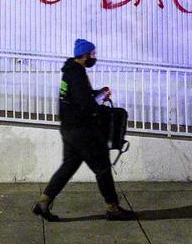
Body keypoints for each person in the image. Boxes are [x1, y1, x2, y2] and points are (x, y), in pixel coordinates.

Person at [32, 38, 135, 221]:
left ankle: (44, 201)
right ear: (84, 55)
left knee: (69, 166)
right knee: (102, 167)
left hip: (69, 129)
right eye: (92, 54)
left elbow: (79, 98)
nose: (94, 58)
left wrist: (99, 94)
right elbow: (86, 105)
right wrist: (101, 105)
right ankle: (112, 207)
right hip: (83, 130)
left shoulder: (70, 72)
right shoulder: (77, 74)